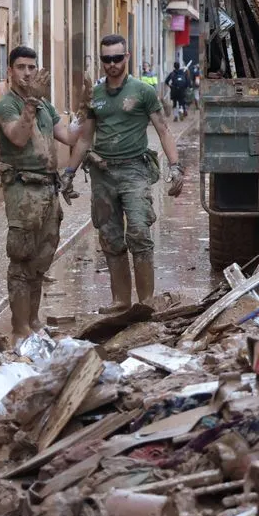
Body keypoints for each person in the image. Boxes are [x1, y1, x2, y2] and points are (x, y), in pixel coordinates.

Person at [64, 34, 186, 313]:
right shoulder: (95, 95)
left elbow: (163, 130)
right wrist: (69, 172)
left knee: (140, 233)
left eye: (117, 58)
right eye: (106, 59)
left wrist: (175, 166)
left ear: (127, 58)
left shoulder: (142, 92)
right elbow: (84, 139)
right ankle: (121, 301)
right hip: (103, 173)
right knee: (109, 237)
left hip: (135, 171)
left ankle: (145, 304)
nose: (112, 64)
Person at [0, 47, 82, 341]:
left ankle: (33, 320)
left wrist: (88, 112)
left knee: (42, 259)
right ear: (10, 71)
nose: (27, 73)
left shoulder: (45, 105)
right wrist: (30, 103)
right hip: (22, 190)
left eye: (32, 67)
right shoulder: (7, 105)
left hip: (48, 189)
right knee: (21, 259)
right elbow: (17, 138)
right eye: (21, 67)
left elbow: (68, 136)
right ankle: (19, 328)